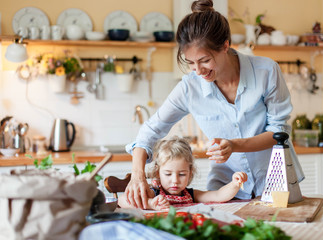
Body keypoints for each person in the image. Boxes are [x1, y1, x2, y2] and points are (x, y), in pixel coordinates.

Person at [125, 0, 304, 209]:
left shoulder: (266, 72)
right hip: (226, 191)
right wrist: (137, 176)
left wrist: (235, 145)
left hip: (276, 184)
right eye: (190, 63)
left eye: (204, 60)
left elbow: (279, 132)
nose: (198, 71)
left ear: (225, 46)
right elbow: (150, 131)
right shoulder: (189, 88)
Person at [119, 137, 247, 210]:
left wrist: (235, 184)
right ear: (158, 173)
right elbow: (122, 200)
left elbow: (219, 195)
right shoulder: (153, 193)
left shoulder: (191, 194)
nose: (175, 180)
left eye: (182, 174)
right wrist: (150, 204)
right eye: (168, 174)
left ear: (190, 173)